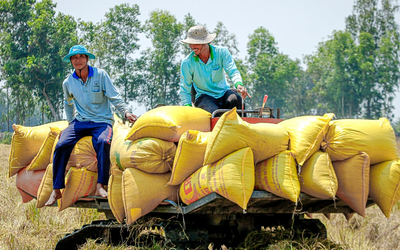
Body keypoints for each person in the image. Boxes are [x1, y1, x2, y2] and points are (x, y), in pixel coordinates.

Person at [45, 45, 137, 206]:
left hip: (102, 122)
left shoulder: (101, 75)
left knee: (103, 143)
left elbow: (114, 97)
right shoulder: (68, 82)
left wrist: (126, 112)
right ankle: (56, 189)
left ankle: (101, 185)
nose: (78, 60)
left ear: (87, 59)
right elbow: (68, 104)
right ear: (71, 61)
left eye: (81, 57)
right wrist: (69, 123)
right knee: (61, 145)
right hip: (80, 122)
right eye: (74, 58)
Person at [180, 25, 251, 116]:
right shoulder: (187, 63)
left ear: (205, 42)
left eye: (195, 43)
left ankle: (241, 128)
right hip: (204, 96)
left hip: (223, 92)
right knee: (211, 110)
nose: (192, 46)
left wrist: (239, 84)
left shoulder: (222, 53)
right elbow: (185, 89)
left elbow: (232, 70)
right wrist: (188, 107)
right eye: (190, 43)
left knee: (235, 99)